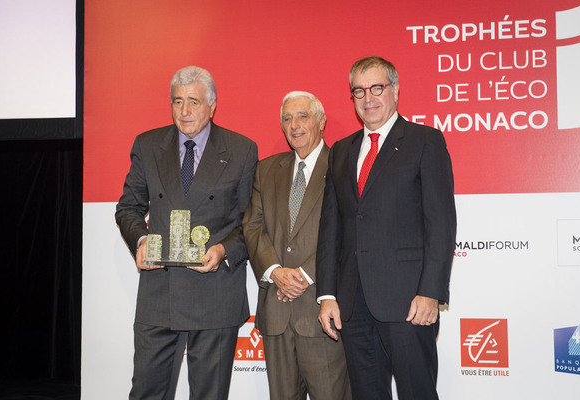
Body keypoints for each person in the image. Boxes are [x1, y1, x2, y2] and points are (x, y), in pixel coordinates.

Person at [316, 56, 457, 400]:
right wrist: (327, 295)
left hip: (409, 300)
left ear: (395, 90)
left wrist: (431, 292)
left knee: (417, 392)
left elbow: (441, 223)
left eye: (377, 88)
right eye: (359, 91)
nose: (368, 98)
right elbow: (330, 228)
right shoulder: (341, 151)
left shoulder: (425, 141)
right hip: (352, 303)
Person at [115, 65, 258, 400]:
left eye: (194, 102)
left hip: (216, 294)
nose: (184, 111)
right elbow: (128, 208)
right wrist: (141, 238)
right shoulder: (148, 145)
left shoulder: (241, 150)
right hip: (159, 294)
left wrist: (223, 251)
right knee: (147, 392)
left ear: (212, 105)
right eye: (177, 102)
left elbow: (251, 222)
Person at [243, 91, 351, 400]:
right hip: (276, 311)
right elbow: (252, 226)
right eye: (287, 119)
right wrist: (275, 271)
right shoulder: (266, 169)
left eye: (302, 116)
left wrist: (305, 273)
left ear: (321, 121)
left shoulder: (343, 166)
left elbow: (349, 231)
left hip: (322, 311)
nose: (295, 125)